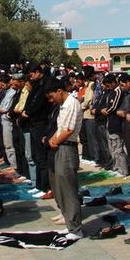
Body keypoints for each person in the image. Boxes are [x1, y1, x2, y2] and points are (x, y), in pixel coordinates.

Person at [46, 77, 84, 240]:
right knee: (61, 186)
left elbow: (68, 130)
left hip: (67, 148)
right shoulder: (62, 105)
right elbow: (60, 128)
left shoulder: (72, 104)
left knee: (69, 189)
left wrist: (55, 140)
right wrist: (52, 139)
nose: (51, 99)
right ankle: (69, 224)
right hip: (61, 147)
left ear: (59, 91)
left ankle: (76, 229)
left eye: (51, 96)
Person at [22, 62, 51, 195]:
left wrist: (27, 112)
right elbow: (30, 101)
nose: (31, 77)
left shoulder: (45, 84)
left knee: (42, 157)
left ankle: (45, 186)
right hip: (34, 124)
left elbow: (38, 103)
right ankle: (39, 185)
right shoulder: (36, 85)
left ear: (38, 72)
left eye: (32, 74)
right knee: (36, 156)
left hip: (41, 123)